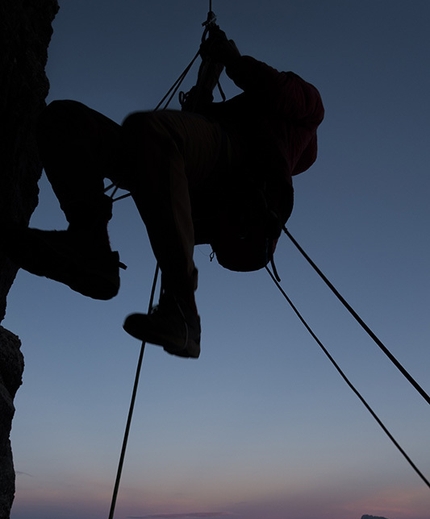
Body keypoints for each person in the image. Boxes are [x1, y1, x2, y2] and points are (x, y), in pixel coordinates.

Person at [3, 26, 324, 359]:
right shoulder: (250, 119)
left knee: (153, 131)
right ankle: (89, 243)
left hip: (230, 161)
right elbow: (195, 119)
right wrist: (210, 71)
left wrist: (232, 58)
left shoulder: (307, 112)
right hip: (188, 166)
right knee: (65, 120)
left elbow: (281, 90)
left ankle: (182, 306)